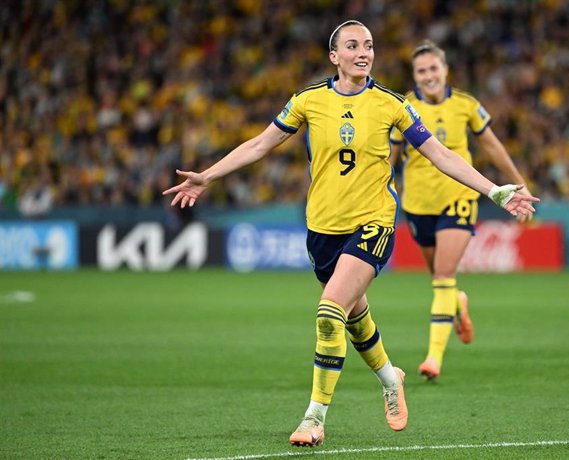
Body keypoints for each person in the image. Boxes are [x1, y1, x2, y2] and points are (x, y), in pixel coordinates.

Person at [163, 21, 539, 448]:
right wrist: (207, 177)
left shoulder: (392, 104)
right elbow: (259, 145)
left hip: (374, 223)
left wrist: (494, 190)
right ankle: (390, 379)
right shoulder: (308, 100)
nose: (364, 52)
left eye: (370, 45)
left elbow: (439, 154)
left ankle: (314, 417)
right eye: (353, 46)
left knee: (329, 313)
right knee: (356, 318)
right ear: (334, 56)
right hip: (322, 228)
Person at [390, 40, 534, 381]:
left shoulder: (466, 105)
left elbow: (492, 146)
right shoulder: (402, 107)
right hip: (417, 204)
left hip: (459, 199)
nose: (428, 76)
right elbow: (390, 157)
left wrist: (519, 182)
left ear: (445, 70)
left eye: (433, 69)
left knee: (442, 276)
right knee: (440, 278)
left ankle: (433, 359)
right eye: (421, 71)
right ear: (415, 76)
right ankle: (459, 302)